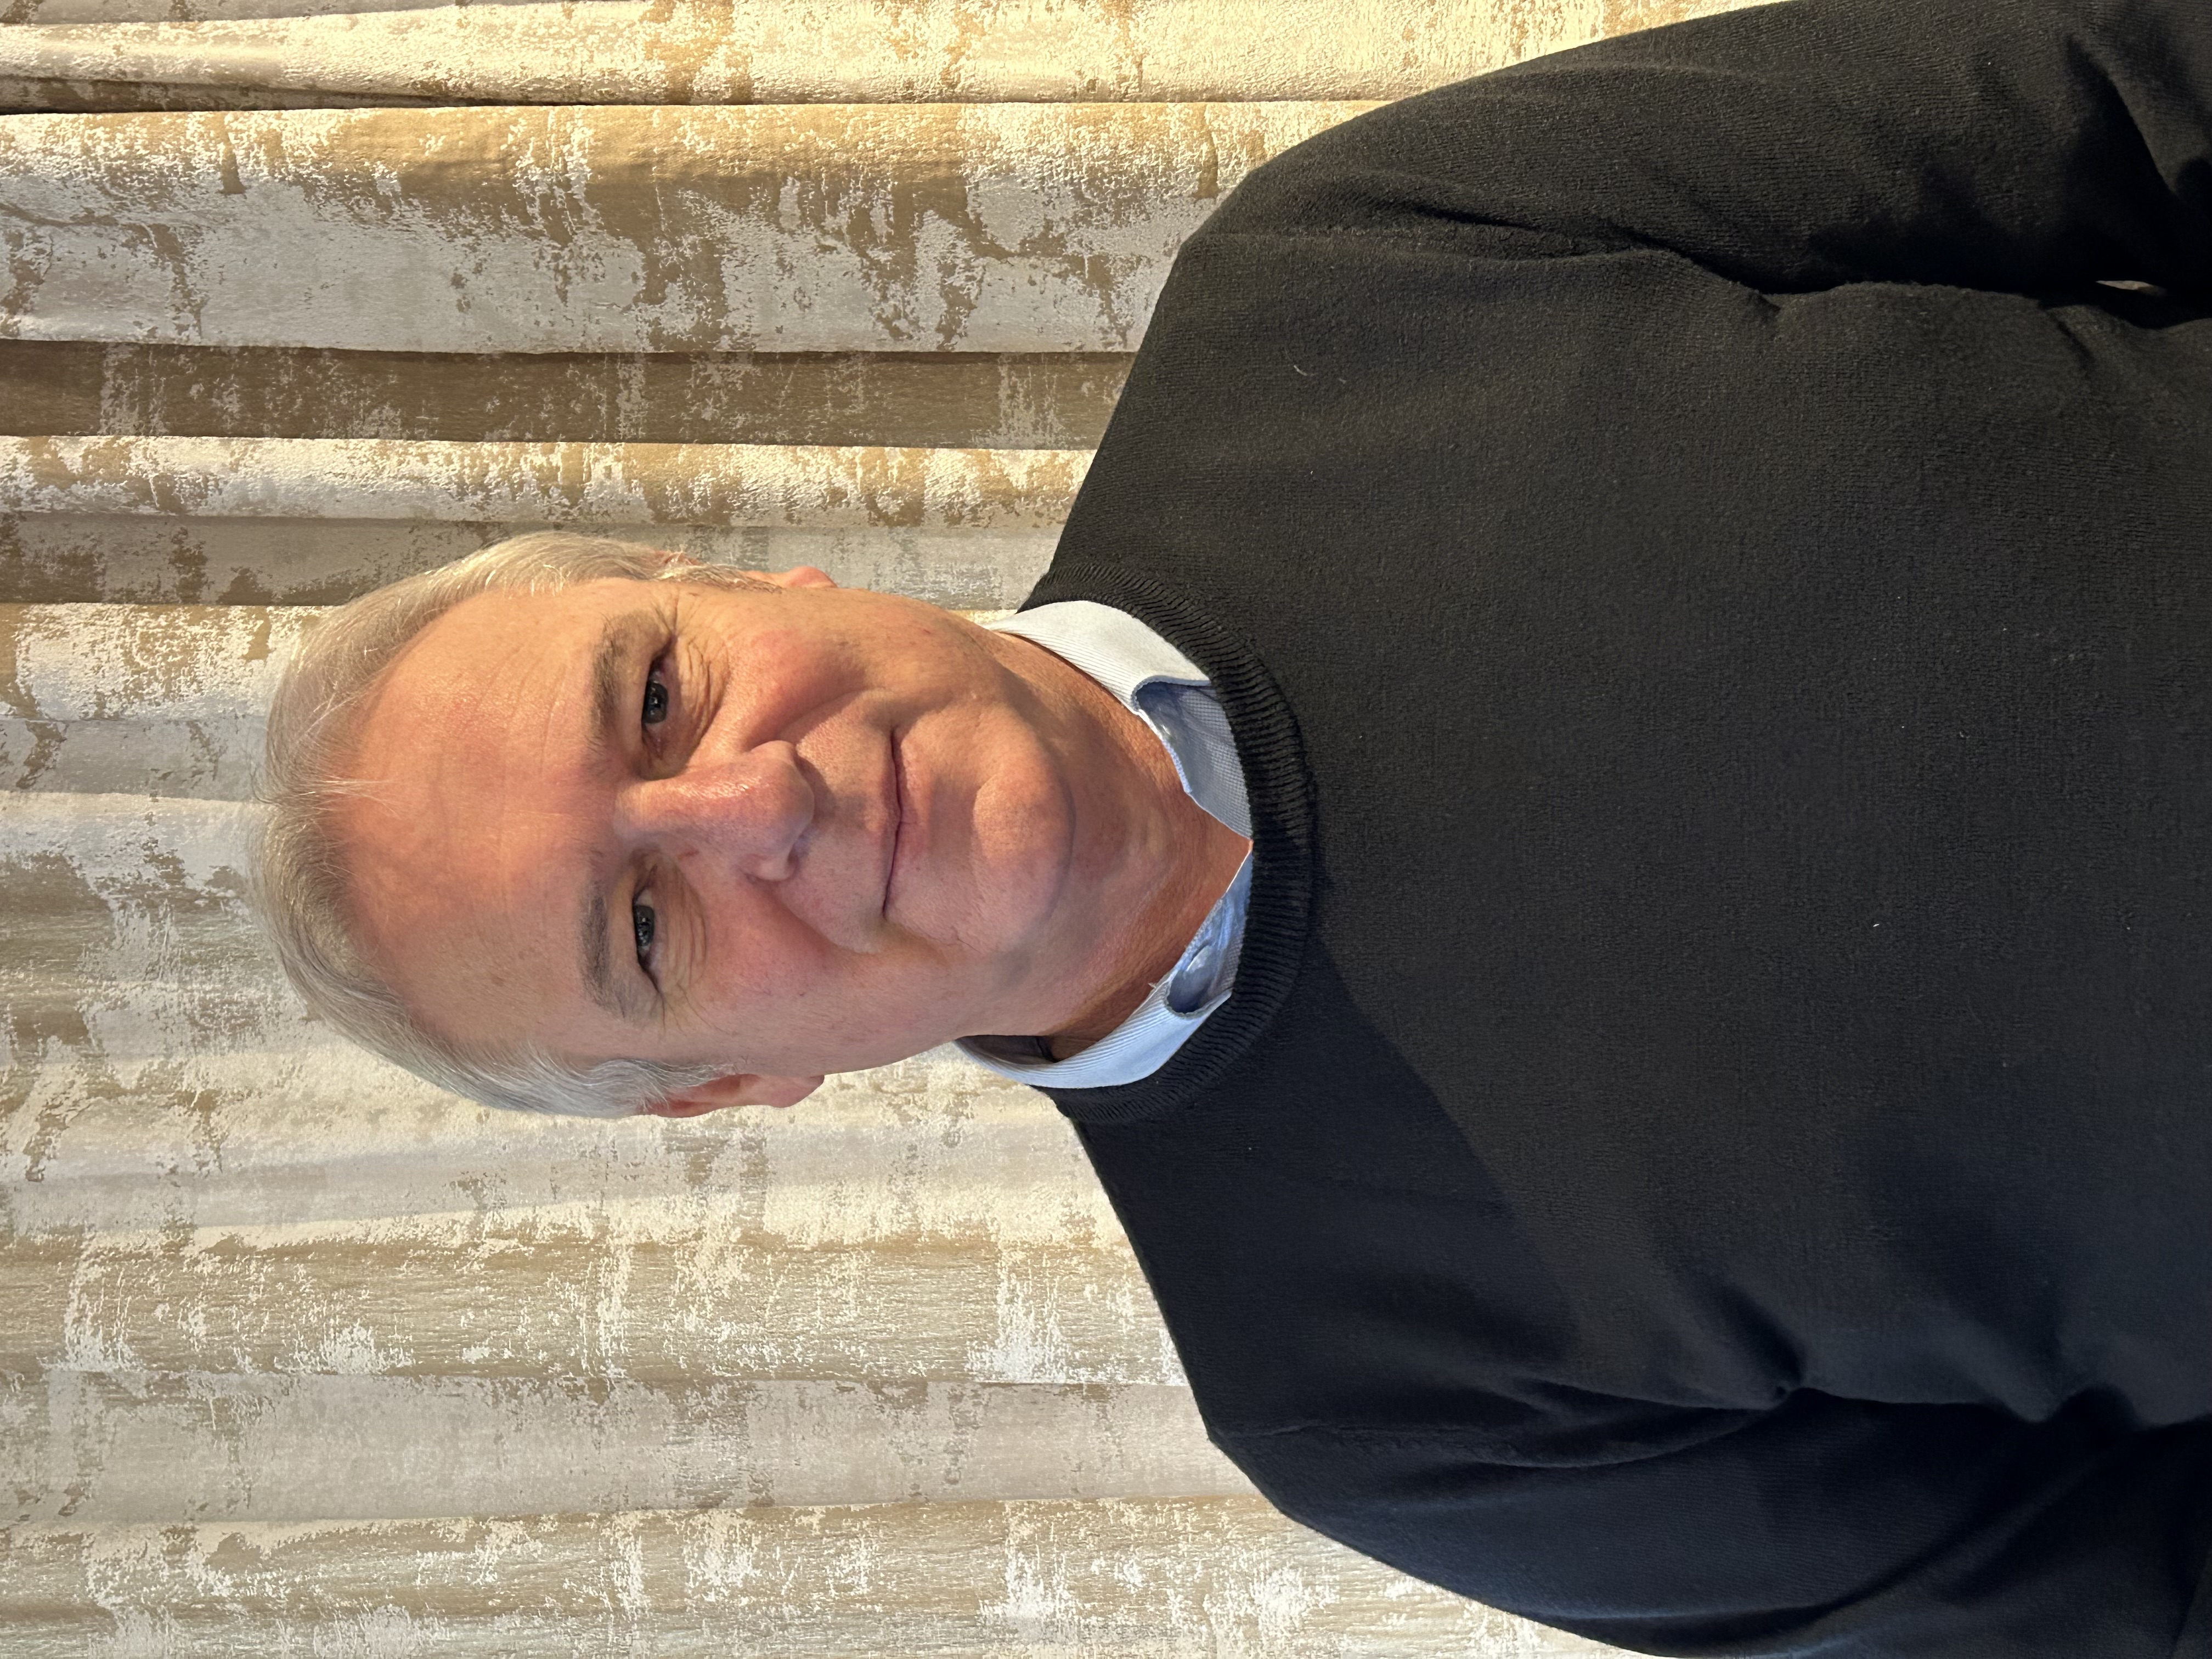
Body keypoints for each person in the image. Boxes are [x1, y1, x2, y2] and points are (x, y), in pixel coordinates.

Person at [252, 0, 2212, 1651]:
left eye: (658, 697)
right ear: (728, 1088)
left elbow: (2134, 82)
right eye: (646, 926)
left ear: (761, 582)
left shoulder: (1356, 267)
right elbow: (2141, 1606)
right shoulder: (1380, 1403)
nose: (756, 803)